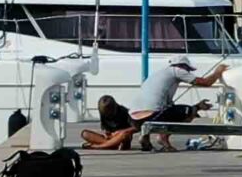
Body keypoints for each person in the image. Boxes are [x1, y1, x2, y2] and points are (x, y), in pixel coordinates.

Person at [81, 58, 225, 150]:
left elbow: (167, 107)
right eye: (188, 70)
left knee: (171, 111)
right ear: (182, 66)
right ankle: (162, 139)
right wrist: (218, 72)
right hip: (148, 117)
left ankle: (146, 137)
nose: (187, 73)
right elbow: (206, 82)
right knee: (188, 112)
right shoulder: (177, 70)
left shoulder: (159, 75)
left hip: (134, 118)